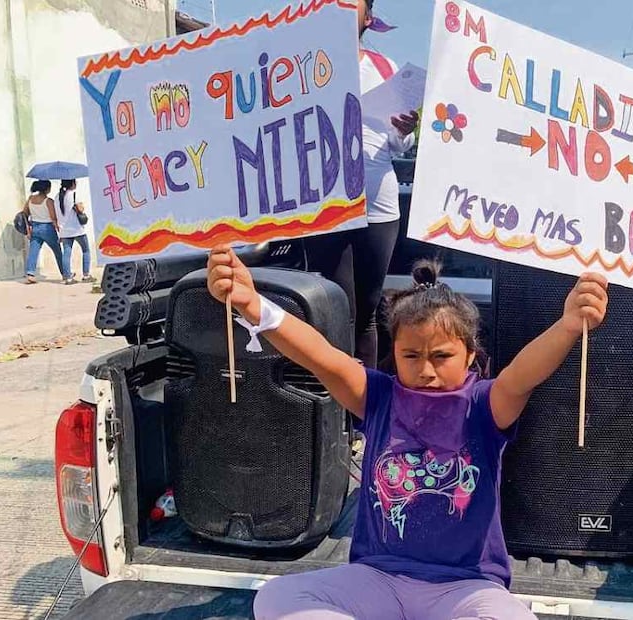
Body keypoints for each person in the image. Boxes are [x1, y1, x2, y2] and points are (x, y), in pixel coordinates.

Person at [206, 247, 608, 620]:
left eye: (442, 356)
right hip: (378, 580)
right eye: (411, 356)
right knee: (276, 597)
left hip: (465, 588)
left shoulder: (485, 405)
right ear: (394, 352)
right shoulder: (378, 397)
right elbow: (321, 357)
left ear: (470, 353)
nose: (426, 369)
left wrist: (569, 325)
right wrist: (253, 305)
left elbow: (522, 376)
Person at [305, 0, 420, 368]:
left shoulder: (386, 69)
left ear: (367, 18)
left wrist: (406, 131)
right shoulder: (300, 67)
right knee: (334, 308)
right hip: (325, 204)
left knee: (367, 312)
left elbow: (398, 143)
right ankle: (330, 413)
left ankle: (362, 417)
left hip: (379, 206)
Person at [23, 180, 68, 284]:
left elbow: (24, 213)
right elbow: (53, 218)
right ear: (46, 189)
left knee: (33, 252)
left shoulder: (30, 199)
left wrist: (28, 229)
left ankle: (30, 274)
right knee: (57, 251)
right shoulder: (48, 201)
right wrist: (60, 231)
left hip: (35, 227)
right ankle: (65, 273)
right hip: (47, 228)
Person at [57, 179, 95, 285]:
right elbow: (81, 209)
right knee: (86, 250)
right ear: (72, 184)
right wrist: (81, 206)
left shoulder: (57, 197)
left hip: (64, 230)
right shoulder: (74, 195)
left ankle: (68, 277)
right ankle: (86, 275)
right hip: (77, 229)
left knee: (67, 253)